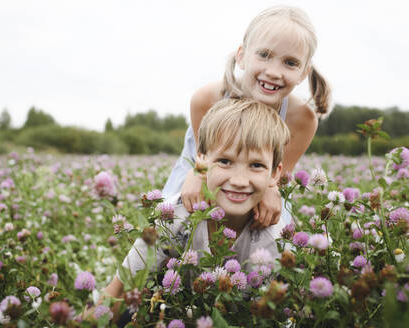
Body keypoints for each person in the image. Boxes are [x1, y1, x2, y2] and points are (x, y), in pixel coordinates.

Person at [85, 98, 290, 323]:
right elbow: (118, 291)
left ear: (274, 174)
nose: (240, 181)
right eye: (225, 161)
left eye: (256, 165)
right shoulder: (173, 217)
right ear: (200, 162)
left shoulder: (276, 242)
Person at [162, 5, 331, 229]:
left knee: (269, 226)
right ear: (241, 56)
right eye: (264, 55)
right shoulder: (207, 98)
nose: (273, 72)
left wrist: (272, 191)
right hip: (203, 171)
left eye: (290, 63)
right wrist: (198, 174)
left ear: (303, 73)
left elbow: (278, 176)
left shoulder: (302, 119)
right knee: (177, 227)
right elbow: (201, 159)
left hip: (257, 184)